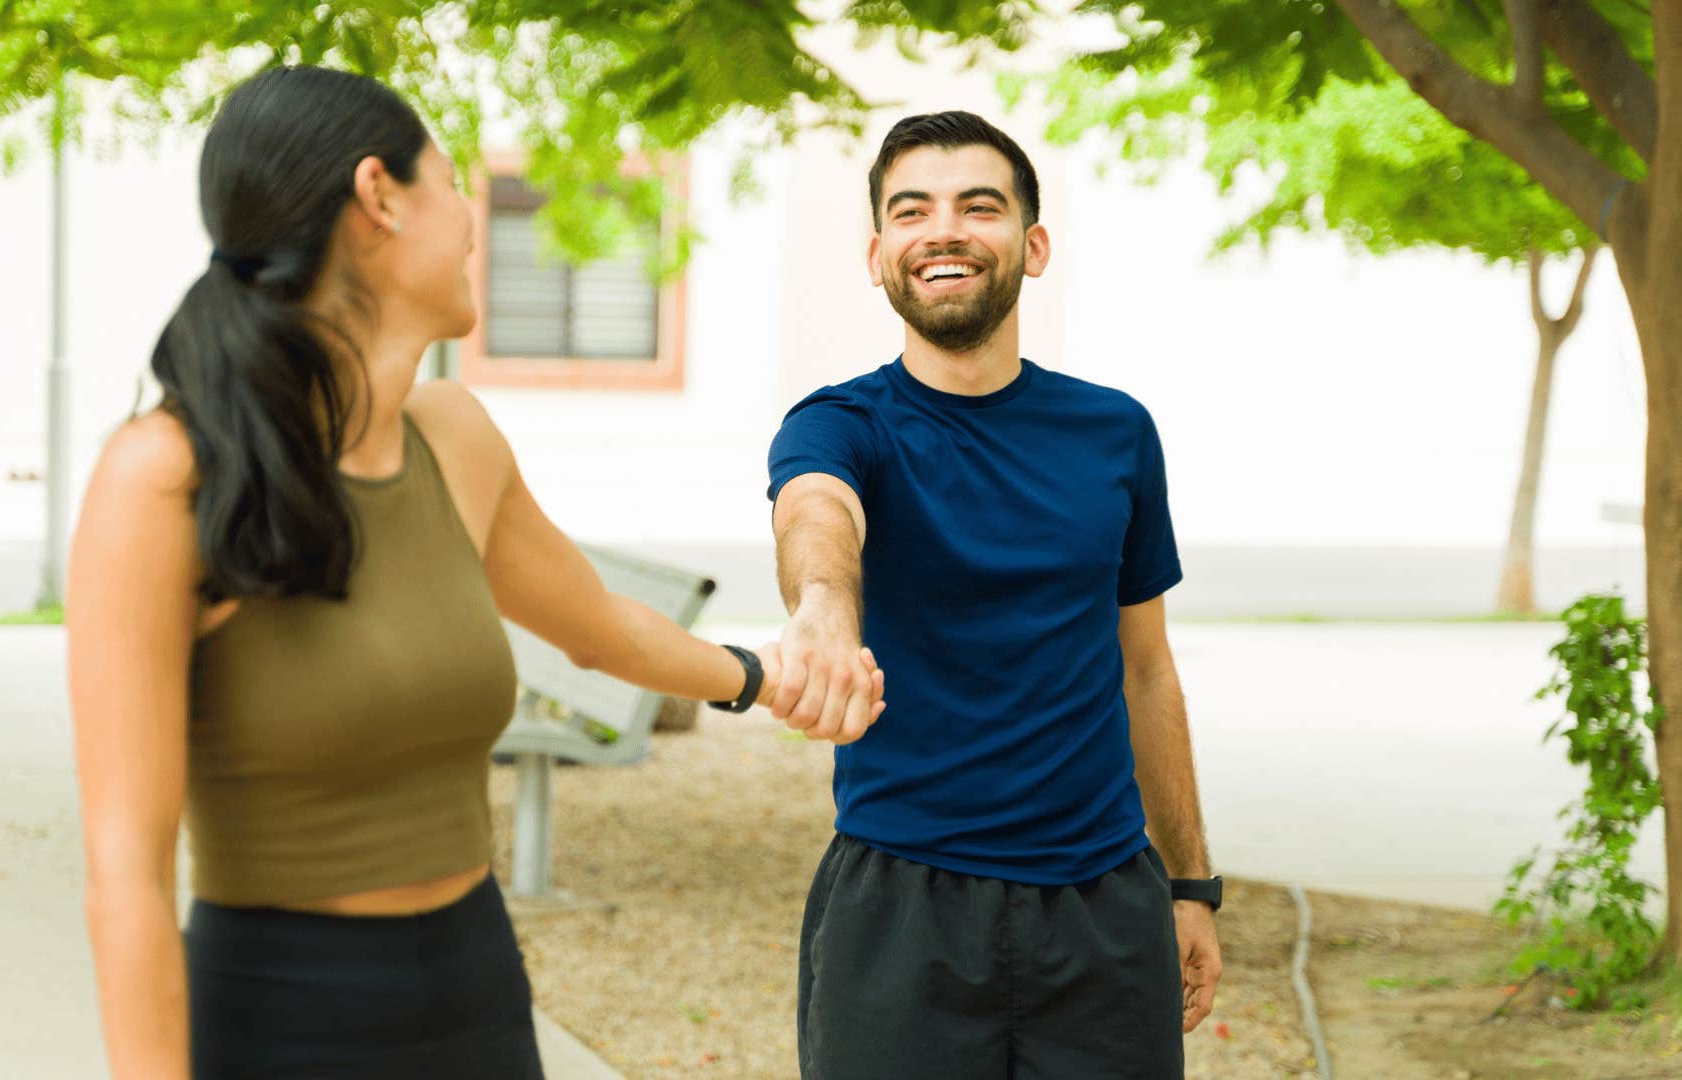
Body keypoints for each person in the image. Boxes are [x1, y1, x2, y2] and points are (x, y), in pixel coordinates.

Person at [63, 65, 883, 1080]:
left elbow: (598, 628)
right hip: (277, 1017)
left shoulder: (452, 438)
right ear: (378, 197)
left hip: (475, 995)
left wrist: (769, 677)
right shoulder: (164, 477)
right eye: (451, 185)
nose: (470, 222)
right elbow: (126, 875)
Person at [764, 111, 1223, 1078]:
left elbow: (1146, 670)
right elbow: (817, 514)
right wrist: (824, 615)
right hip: (900, 908)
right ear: (879, 253)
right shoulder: (840, 425)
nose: (946, 230)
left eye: (980, 206)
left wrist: (1191, 885)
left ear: (1033, 244)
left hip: (1104, 905)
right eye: (913, 210)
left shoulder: (1116, 433)